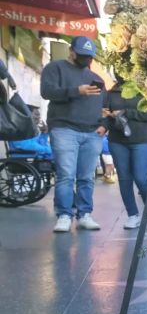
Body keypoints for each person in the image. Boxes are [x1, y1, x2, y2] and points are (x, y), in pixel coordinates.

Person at [40, 36, 106, 233]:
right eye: (83, 55)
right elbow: (47, 92)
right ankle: (64, 215)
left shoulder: (97, 79)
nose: (87, 60)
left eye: (90, 57)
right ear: (72, 51)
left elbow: (104, 106)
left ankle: (84, 214)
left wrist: (103, 125)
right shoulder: (55, 68)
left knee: (87, 177)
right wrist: (76, 91)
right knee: (66, 175)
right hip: (64, 128)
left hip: (92, 132)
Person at [105, 76, 147, 230]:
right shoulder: (111, 93)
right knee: (124, 179)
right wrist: (106, 119)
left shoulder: (146, 89)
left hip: (142, 139)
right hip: (117, 140)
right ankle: (132, 215)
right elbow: (105, 115)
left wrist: (126, 113)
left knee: (141, 178)